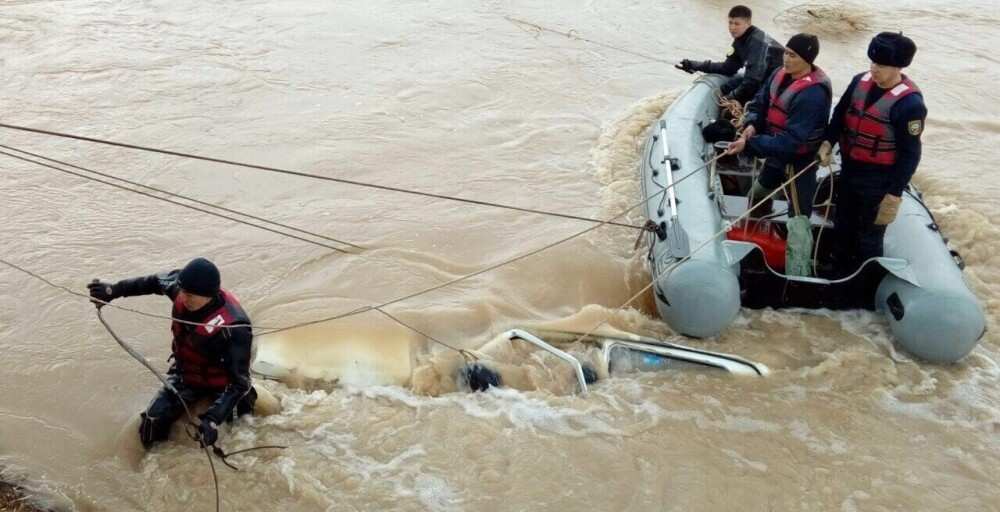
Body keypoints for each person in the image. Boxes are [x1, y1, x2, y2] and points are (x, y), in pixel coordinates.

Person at [88, 257, 255, 449]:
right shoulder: (181, 288)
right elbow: (150, 282)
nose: (183, 298)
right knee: (151, 420)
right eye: (183, 291)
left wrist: (212, 420)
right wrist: (114, 290)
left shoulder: (236, 326)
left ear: (208, 295)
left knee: (241, 435)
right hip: (187, 375)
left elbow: (239, 384)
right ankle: (153, 464)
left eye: (190, 295)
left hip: (223, 384)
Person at [819, 32, 926, 275]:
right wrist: (828, 142)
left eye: (881, 65)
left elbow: (911, 153)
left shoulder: (910, 105)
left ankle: (866, 282)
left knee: (870, 235)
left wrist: (894, 193)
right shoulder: (860, 82)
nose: (874, 69)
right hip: (850, 169)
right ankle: (837, 270)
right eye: (873, 62)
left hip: (879, 178)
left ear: (898, 66)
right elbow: (840, 115)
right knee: (843, 223)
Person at [726, 33, 832, 277]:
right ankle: (752, 242)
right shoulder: (778, 75)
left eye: (793, 55)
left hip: (798, 160)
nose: (786, 58)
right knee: (758, 194)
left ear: (807, 59)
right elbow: (761, 103)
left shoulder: (812, 94)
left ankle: (798, 274)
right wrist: (751, 124)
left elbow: (792, 142)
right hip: (775, 151)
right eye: (786, 52)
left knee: (798, 219)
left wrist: (750, 145)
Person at [676, 5, 785, 105]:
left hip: (778, 85)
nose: (732, 27)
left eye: (737, 24)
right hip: (762, 80)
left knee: (733, 97)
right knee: (725, 88)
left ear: (748, 23)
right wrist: (694, 65)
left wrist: (731, 97)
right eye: (730, 23)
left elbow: (753, 81)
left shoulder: (757, 42)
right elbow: (728, 68)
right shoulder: (740, 41)